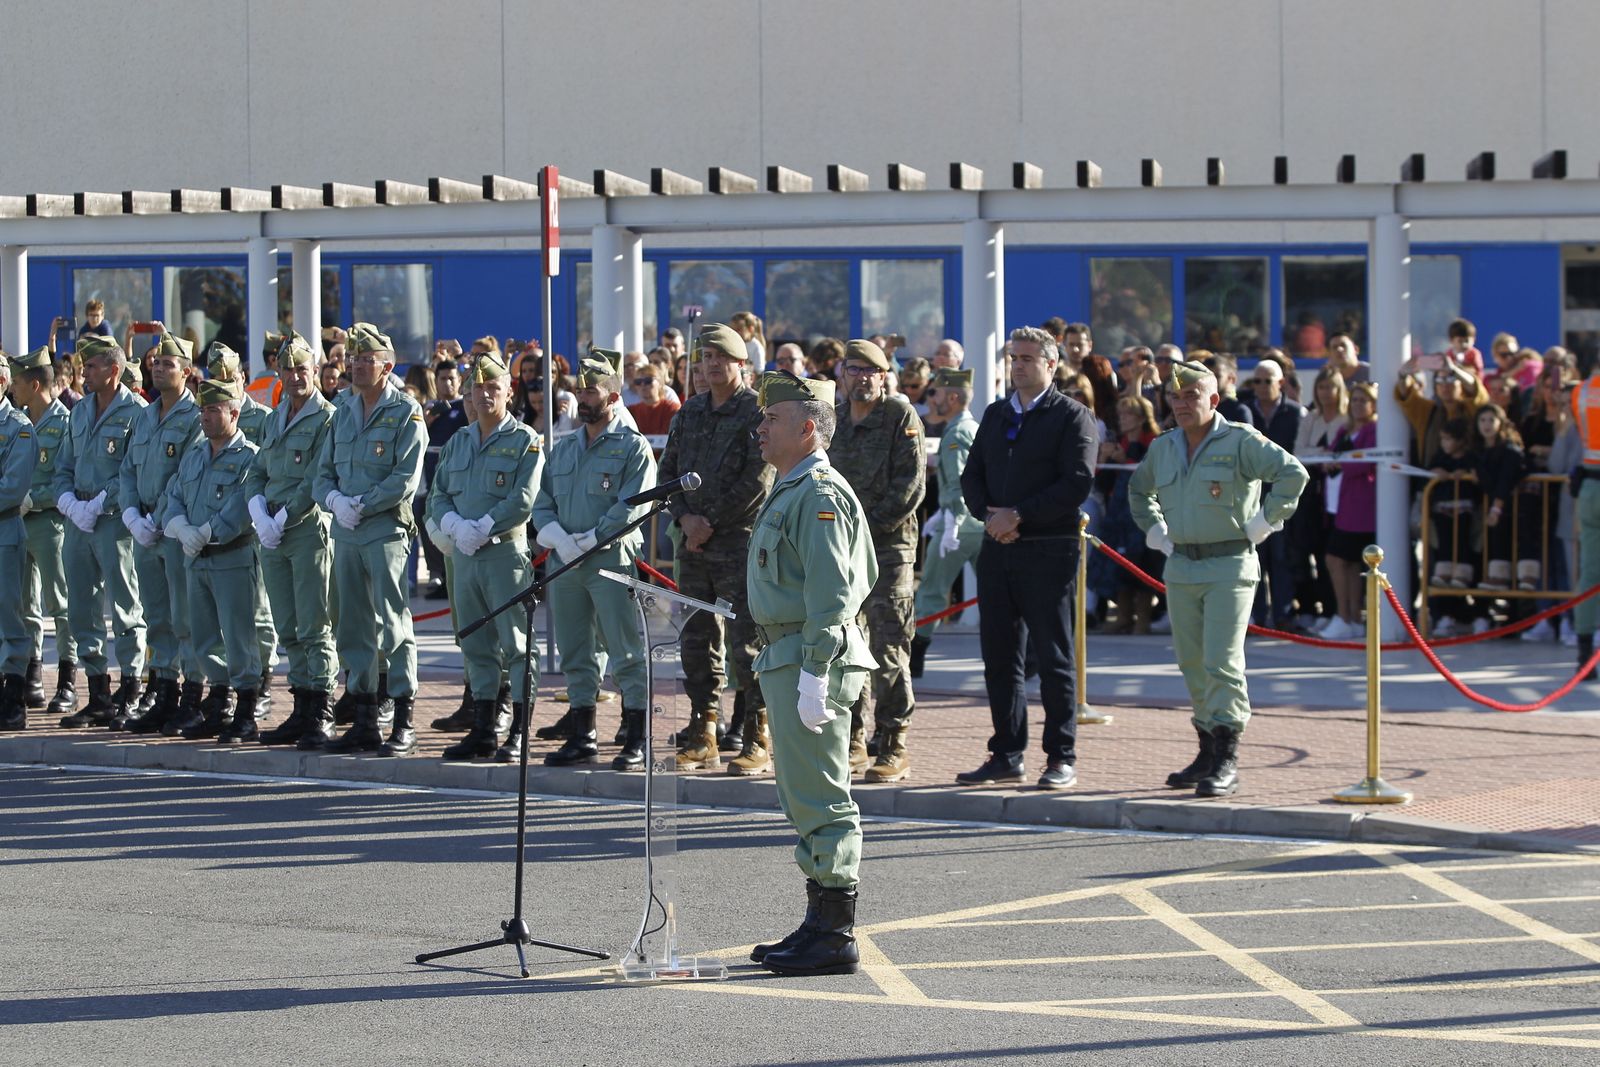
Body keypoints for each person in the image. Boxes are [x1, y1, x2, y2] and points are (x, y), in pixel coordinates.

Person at [744, 370, 876, 977]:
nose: (760, 427)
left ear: (805, 427)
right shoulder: (791, 486)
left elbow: (833, 592)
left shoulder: (819, 493)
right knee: (803, 797)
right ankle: (819, 921)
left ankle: (835, 933)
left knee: (822, 796)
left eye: (772, 419)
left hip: (809, 657)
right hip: (788, 654)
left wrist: (816, 672)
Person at [1128, 360, 1307, 798]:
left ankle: (1228, 756)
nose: (1182, 404)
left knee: (1222, 661)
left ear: (1214, 399)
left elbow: (1292, 474)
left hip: (1230, 563)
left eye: (1192, 396)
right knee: (1191, 662)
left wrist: (1264, 523)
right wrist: (1155, 532)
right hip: (1182, 564)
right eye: (1175, 396)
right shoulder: (1165, 445)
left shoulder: (1240, 440)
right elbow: (1139, 490)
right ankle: (1206, 750)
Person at [957, 326, 1099, 789]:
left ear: (1051, 365)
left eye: (1027, 358)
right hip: (998, 550)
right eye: (1013, 358)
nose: (1017, 365)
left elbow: (1076, 482)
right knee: (999, 658)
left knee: (1053, 658)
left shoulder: (1072, 416)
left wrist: (1019, 514)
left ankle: (1061, 755)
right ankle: (1006, 751)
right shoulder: (997, 414)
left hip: (1048, 550)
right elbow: (972, 473)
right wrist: (990, 515)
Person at [531, 348, 657, 766]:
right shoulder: (565, 449)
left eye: (592, 390)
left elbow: (634, 503)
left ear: (614, 396)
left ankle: (636, 733)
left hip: (611, 561)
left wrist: (594, 537)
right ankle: (582, 731)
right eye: (580, 389)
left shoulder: (632, 447)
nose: (583, 397)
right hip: (565, 562)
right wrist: (557, 538)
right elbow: (542, 501)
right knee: (575, 648)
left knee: (624, 649)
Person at [658, 324, 773, 774]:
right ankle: (703, 728)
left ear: (740, 364)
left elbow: (757, 479)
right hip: (692, 543)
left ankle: (756, 733)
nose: (709, 366)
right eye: (704, 358)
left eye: (719, 358)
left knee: (747, 641)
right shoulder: (690, 412)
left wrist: (710, 522)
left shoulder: (755, 412)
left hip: (738, 541)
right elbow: (668, 470)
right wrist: (686, 519)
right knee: (696, 639)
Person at [312, 323, 427, 754]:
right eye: (354, 359)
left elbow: (406, 476)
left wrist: (364, 502)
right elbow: (321, 475)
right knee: (352, 626)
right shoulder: (342, 411)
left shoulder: (404, 412)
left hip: (383, 531)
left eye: (367, 359)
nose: (358, 365)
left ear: (387, 366)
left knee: (393, 625)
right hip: (345, 530)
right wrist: (335, 501)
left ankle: (402, 716)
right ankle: (363, 715)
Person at [426, 349, 544, 763]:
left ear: (509, 393)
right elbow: (438, 494)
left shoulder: (524, 441)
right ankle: (483, 727)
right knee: (474, 643)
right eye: (478, 388)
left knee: (516, 645)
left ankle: (519, 730)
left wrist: (484, 524)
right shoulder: (458, 441)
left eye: (493, 387)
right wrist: (455, 527)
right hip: (463, 555)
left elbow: (524, 497)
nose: (484, 394)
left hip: (503, 554)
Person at [826, 338, 925, 783]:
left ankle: (894, 742)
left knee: (888, 649)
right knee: (847, 649)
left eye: (872, 371)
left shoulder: (900, 416)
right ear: (841, 375)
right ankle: (854, 740)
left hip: (887, 549)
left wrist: (865, 526)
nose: (862, 378)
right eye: (854, 370)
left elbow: (911, 487)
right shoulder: (836, 421)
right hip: (841, 551)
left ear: (884, 376)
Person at [244, 334, 340, 749]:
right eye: (290, 369)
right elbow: (258, 470)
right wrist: (259, 512)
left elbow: (318, 476)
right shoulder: (273, 417)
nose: (297, 376)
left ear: (315, 371)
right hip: (273, 532)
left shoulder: (327, 418)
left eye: (304, 369)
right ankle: (300, 706)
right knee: (287, 626)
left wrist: (284, 515)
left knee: (314, 624)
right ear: (279, 372)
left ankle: (321, 709)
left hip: (305, 529)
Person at [157, 378, 263, 741]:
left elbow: (242, 507)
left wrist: (207, 531)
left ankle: (246, 708)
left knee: (238, 636)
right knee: (203, 637)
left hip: (230, 556)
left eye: (214, 410)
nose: (205, 416)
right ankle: (218, 703)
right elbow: (174, 495)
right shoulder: (195, 454)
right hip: (195, 558)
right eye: (203, 409)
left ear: (234, 413)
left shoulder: (249, 456)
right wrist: (181, 528)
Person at [53, 335, 148, 728]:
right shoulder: (77, 411)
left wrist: (99, 504)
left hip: (113, 523)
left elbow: (134, 470)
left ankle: (132, 688)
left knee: (125, 608)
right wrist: (71, 504)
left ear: (113, 370)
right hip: (79, 521)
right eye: (83, 366)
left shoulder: (137, 412)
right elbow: (63, 465)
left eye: (91, 366)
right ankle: (98, 692)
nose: (84, 373)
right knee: (81, 607)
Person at [113, 332, 202, 733]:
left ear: (186, 371)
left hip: (173, 530)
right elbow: (128, 469)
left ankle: (193, 695)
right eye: (156, 362)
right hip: (145, 529)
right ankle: (164, 691)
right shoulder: (145, 416)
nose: (159, 368)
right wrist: (132, 512)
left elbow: (186, 476)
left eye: (168, 364)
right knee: (156, 616)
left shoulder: (195, 418)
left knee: (186, 618)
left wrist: (160, 517)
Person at [208, 342, 279, 718]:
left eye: (230, 378)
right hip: (216, 532)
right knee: (225, 617)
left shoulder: (263, 419)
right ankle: (229, 684)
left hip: (255, 527)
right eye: (216, 378)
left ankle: (264, 676)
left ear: (243, 378)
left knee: (259, 612)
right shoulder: (205, 416)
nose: (224, 384)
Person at [10, 348, 75, 725]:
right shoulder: (19, 422)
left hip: (51, 524)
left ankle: (67, 678)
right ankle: (31, 674)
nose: (12, 389)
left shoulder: (63, 423)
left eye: (17, 383)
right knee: (23, 605)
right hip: (21, 524)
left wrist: (37, 498)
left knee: (60, 605)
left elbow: (67, 478)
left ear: (35, 384)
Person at [911, 368, 984, 673]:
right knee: (995, 589)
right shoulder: (970, 427)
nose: (932, 400)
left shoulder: (956, 432)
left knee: (931, 591)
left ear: (952, 397)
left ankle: (914, 660)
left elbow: (957, 481)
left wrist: (950, 514)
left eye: (936, 393)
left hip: (959, 524)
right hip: (975, 522)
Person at [1243, 359, 1306, 629]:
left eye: (1267, 381)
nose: (1260, 386)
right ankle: (1256, 615)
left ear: (1280, 383)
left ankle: (1282, 615)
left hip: (1282, 496)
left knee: (1281, 558)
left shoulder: (1295, 413)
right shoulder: (1246, 413)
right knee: (1255, 557)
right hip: (1252, 495)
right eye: (1256, 381)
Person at [1320, 382, 1379, 640]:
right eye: (1354, 400)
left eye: (1363, 400)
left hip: (1360, 506)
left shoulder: (1373, 430)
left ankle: (1344, 616)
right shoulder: (1346, 429)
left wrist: (1338, 462)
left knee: (1335, 559)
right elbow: (1332, 456)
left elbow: (1362, 464)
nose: (1357, 405)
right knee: (1350, 563)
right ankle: (1353, 618)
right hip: (1339, 502)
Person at [0, 352, 38, 730]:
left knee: (9, 614)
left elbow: (12, 487)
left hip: (4, 531)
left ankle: (14, 695)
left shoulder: (19, 428)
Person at [420, 357, 470, 600]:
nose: (448, 383)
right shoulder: (429, 408)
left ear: (460, 381)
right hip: (431, 476)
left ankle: (454, 573)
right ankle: (436, 572)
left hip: (457, 478)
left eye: (452, 378)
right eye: (443, 379)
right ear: (435, 381)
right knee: (428, 519)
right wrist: (426, 422)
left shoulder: (465, 407)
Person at [625, 361, 681, 436]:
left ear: (660, 383)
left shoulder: (672, 408)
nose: (643, 386)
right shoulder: (631, 411)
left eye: (648, 381)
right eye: (638, 382)